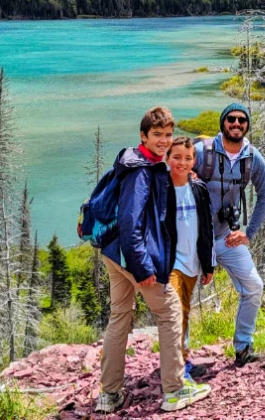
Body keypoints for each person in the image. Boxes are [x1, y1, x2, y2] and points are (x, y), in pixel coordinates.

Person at [94, 107, 212, 414]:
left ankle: (109, 394)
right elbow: (132, 222)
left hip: (113, 253)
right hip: (132, 256)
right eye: (157, 135)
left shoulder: (137, 161)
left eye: (168, 135)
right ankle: (174, 390)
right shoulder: (142, 172)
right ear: (143, 136)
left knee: (120, 315)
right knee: (170, 311)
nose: (163, 141)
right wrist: (143, 267)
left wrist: (184, 175)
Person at [194, 102, 265, 367]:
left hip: (227, 236)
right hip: (194, 240)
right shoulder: (200, 152)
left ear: (247, 125)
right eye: (231, 119)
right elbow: (171, 180)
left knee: (253, 287)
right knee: (180, 296)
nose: (236, 124)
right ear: (222, 122)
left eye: (242, 120)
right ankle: (178, 362)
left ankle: (243, 348)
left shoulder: (252, 158)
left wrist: (248, 233)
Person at [164, 136, 215, 382]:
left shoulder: (198, 188)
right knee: (175, 312)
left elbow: (206, 229)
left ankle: (182, 359)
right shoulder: (161, 189)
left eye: (187, 158)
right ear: (167, 159)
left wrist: (208, 264)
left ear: (194, 161)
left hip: (193, 263)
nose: (182, 162)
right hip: (170, 263)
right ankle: (176, 371)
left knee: (184, 312)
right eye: (176, 157)